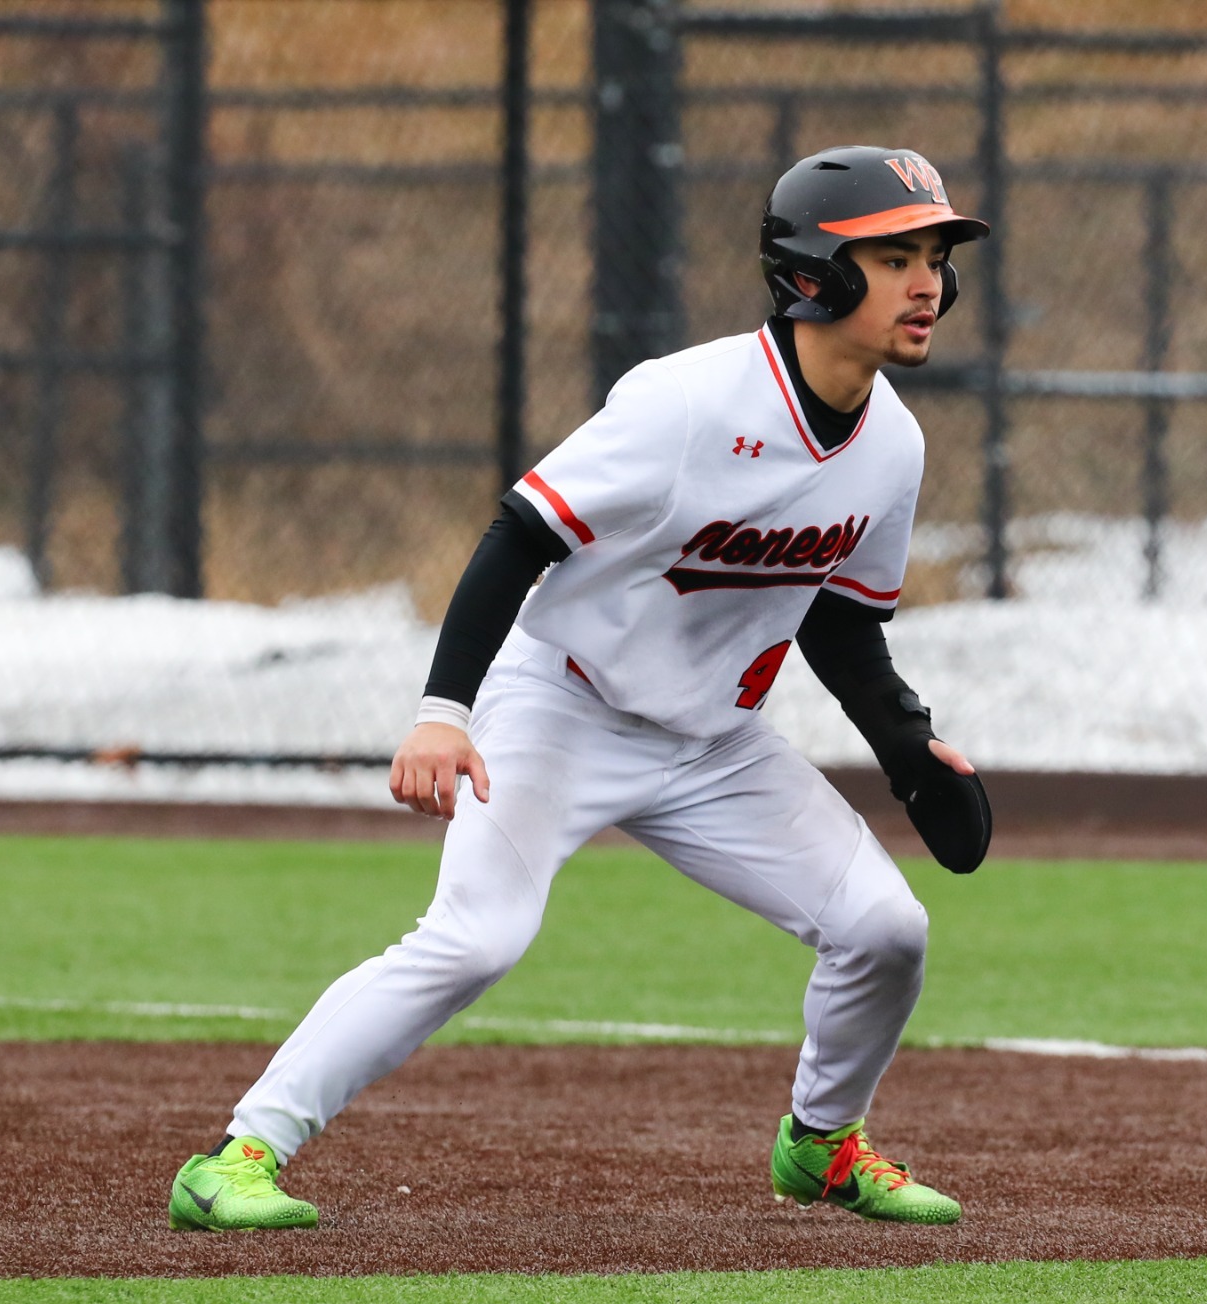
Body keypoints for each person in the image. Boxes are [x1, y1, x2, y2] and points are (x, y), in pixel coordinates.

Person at [169, 145, 994, 1233]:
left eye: (934, 255)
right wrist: (441, 712)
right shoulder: (689, 400)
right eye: (892, 256)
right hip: (562, 708)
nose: (927, 281)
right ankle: (237, 1155)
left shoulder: (890, 442)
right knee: (474, 939)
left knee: (887, 930)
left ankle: (820, 1146)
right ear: (812, 277)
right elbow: (519, 532)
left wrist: (904, 745)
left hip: (714, 745)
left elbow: (839, 617)